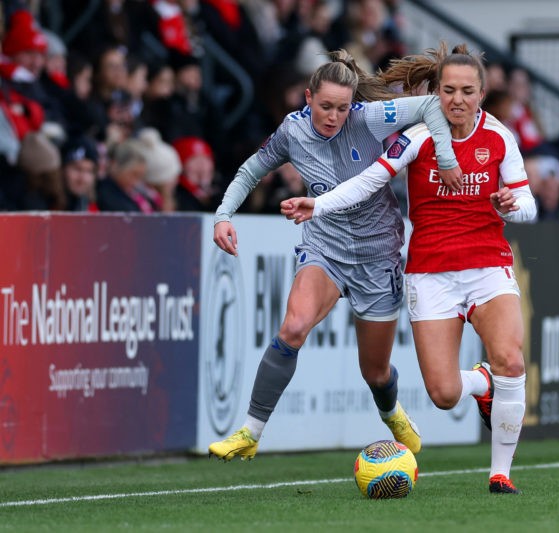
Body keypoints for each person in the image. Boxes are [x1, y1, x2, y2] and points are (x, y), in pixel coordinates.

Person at [282, 43, 536, 494]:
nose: (456, 100)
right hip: (430, 273)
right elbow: (369, 180)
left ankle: (501, 473)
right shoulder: (416, 137)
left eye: (467, 91)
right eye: (448, 90)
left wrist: (512, 205)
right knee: (442, 394)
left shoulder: (499, 137)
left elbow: (528, 205)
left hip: (487, 266)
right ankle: (481, 383)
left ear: (482, 94)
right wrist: (317, 204)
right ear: (435, 92)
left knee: (511, 359)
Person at [207, 50, 463, 462]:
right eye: (325, 106)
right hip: (325, 249)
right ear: (307, 98)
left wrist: (447, 158)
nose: (334, 116)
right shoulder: (292, 131)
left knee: (374, 373)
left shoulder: (369, 118)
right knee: (293, 327)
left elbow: (433, 104)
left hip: (377, 257)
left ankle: (390, 411)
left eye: (342, 108)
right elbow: (252, 170)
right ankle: (251, 432)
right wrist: (223, 216)